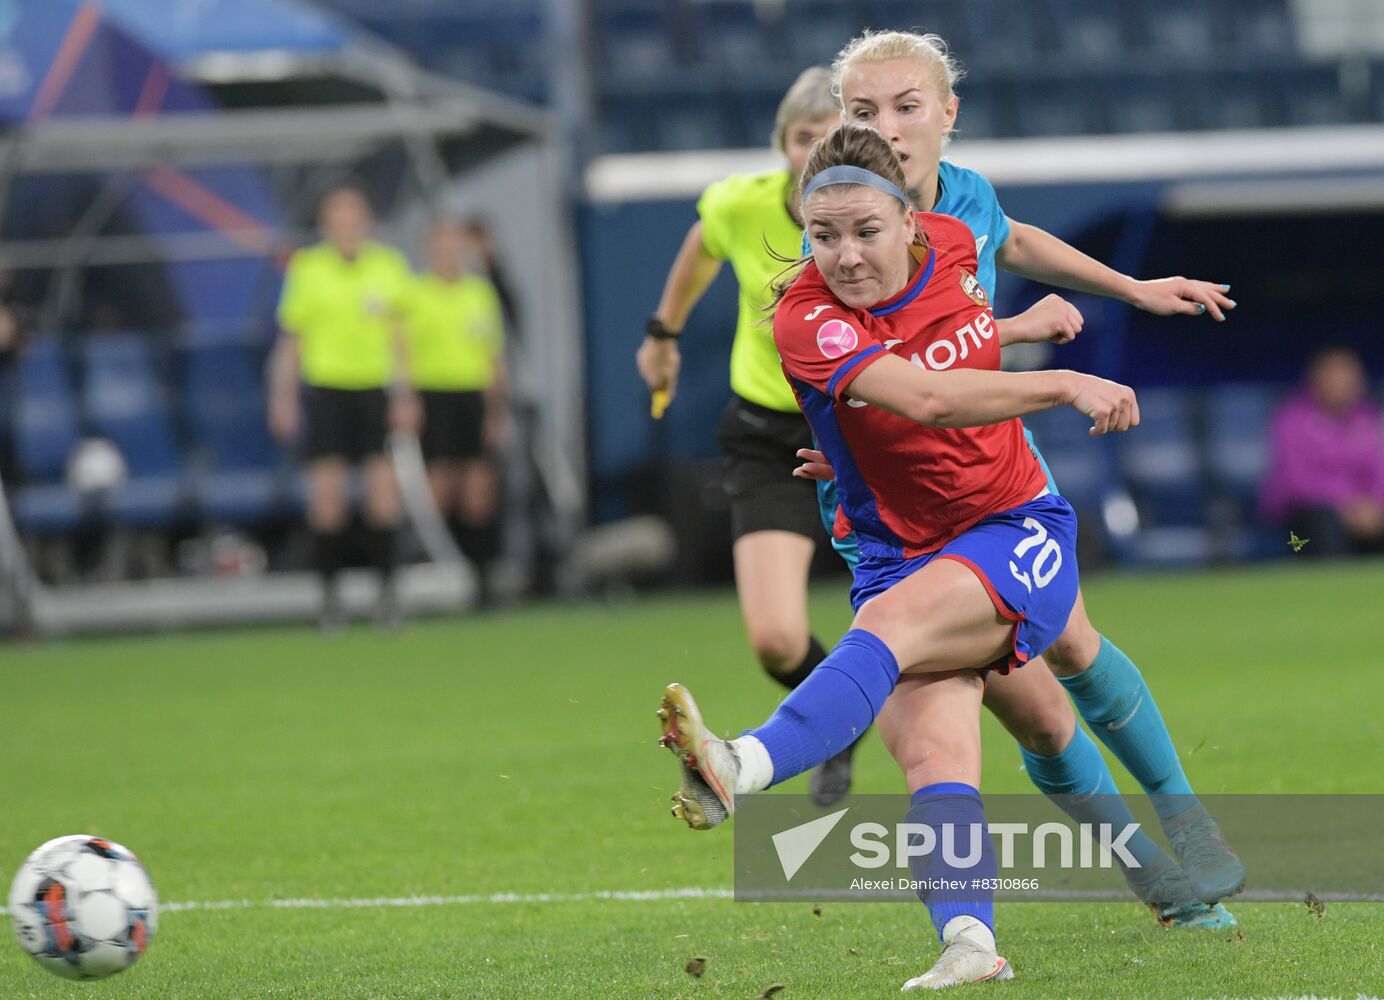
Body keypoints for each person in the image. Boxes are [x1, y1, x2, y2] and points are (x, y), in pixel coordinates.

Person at [660, 125, 1141, 989]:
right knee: (934, 757)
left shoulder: (956, 244)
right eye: (823, 234)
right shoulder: (804, 315)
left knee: (918, 642)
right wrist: (1063, 380)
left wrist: (1024, 326)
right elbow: (924, 395)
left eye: (864, 231)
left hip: (1014, 525)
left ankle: (741, 763)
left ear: (910, 222)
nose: (842, 255)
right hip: (896, 553)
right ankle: (969, 941)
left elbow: (958, 337)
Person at [804, 29, 1243, 911]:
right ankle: (1157, 878)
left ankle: (1183, 822)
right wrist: (840, 428)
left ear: (947, 114)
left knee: (1076, 640)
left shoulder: (965, 202)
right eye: (863, 111)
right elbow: (851, 360)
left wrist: (1132, 288)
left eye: (906, 106)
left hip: (995, 478)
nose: (886, 128)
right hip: (895, 514)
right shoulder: (844, 227)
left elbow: (1010, 241)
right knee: (1036, 712)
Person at [635, 68, 849, 803]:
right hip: (772, 438)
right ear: (782, 144)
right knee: (777, 640)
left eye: (830, 136)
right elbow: (700, 248)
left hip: (871, 431)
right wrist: (664, 332)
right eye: (801, 136)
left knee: (929, 640)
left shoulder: (885, 216)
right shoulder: (742, 204)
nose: (814, 150)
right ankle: (838, 725)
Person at [269, 186, 418, 631]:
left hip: (373, 390)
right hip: (326, 389)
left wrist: (407, 395)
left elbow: (401, 339)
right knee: (327, 495)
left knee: (383, 493)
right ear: (325, 226)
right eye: (339, 219)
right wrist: (283, 398)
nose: (348, 227)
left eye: (355, 218)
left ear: (368, 222)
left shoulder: (389, 267)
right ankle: (330, 600)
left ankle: (387, 596)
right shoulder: (309, 269)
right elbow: (291, 342)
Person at [401, 218, 509, 599]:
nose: (448, 252)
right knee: (440, 485)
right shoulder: (414, 293)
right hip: (434, 395)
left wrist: (497, 411)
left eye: (454, 245)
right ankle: (434, 574)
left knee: (479, 489)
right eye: (441, 245)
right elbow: (403, 352)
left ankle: (483, 581)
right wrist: (407, 398)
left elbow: (494, 355)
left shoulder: (479, 293)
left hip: (472, 394)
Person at [1261, 346, 1384, 555]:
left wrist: (1375, 505)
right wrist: (1347, 504)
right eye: (1335, 377)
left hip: (1365, 514)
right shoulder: (1292, 419)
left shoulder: (1370, 418)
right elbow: (1298, 481)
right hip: (1299, 527)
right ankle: (1337, 585)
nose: (1343, 385)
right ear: (1317, 380)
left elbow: (1379, 470)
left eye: (1349, 377)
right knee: (1324, 523)